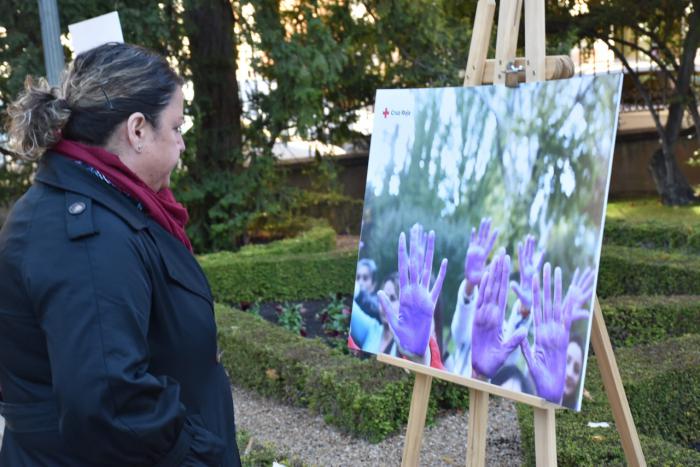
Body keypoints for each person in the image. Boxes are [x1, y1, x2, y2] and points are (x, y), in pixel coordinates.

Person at [0, 43, 241, 465]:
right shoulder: (86, 238)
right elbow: (112, 403)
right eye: (176, 127)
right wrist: (202, 452)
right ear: (137, 130)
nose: (182, 144)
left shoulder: (104, 200)